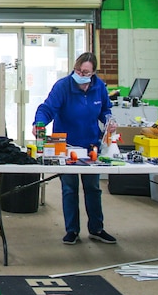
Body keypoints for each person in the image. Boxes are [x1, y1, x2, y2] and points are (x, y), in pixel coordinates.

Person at [33, 52, 117, 245]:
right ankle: (72, 230)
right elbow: (47, 108)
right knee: (69, 188)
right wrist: (39, 123)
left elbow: (105, 109)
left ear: (93, 72)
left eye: (85, 71)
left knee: (93, 188)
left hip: (90, 146)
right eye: (78, 70)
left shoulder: (99, 87)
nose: (80, 73)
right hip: (65, 146)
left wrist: (109, 121)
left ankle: (97, 228)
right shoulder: (63, 86)